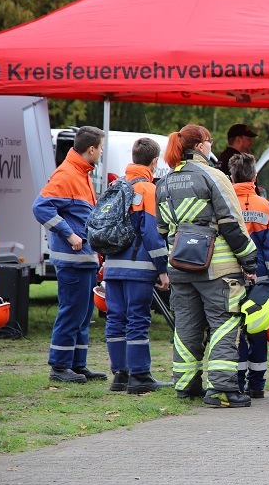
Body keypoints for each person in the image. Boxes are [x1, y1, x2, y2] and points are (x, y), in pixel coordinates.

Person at [156, 124, 257, 408]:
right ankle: (222, 389)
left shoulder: (164, 181)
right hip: (218, 269)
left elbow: (162, 228)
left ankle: (185, 385)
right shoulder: (213, 176)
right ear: (200, 145)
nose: (212, 145)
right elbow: (231, 223)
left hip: (179, 266)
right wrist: (250, 260)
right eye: (210, 141)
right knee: (225, 323)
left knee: (186, 326)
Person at [33, 125, 106, 384]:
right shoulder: (66, 174)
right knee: (72, 312)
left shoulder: (81, 172)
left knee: (84, 313)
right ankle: (60, 366)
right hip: (72, 259)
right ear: (91, 149)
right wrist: (69, 234)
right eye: (101, 148)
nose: (101, 153)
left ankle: (78, 364)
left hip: (84, 259)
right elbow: (40, 207)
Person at [103, 138, 171, 394]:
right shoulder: (148, 190)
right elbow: (152, 234)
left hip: (112, 264)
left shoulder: (115, 184)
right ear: (154, 162)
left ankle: (120, 375)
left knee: (116, 319)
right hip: (138, 266)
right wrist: (162, 269)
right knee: (137, 320)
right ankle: (140, 376)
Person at [229, 153, 269, 399]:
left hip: (229, 278)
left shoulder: (224, 203)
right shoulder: (265, 207)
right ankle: (257, 385)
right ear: (254, 176)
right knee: (258, 330)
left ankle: (237, 382)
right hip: (260, 279)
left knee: (235, 331)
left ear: (231, 176)